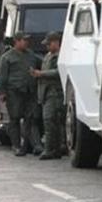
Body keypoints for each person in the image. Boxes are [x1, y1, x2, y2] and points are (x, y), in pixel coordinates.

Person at [0, 32, 41, 156]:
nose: (27, 42)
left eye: (27, 40)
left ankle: (35, 145)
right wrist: (2, 92)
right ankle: (16, 146)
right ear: (16, 41)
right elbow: (2, 77)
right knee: (15, 119)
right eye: (24, 40)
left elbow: (42, 64)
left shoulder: (31, 55)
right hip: (14, 93)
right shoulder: (7, 57)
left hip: (29, 92)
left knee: (31, 119)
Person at [31, 32, 65, 160]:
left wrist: (41, 74)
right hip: (45, 93)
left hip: (55, 93)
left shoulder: (61, 56)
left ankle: (50, 149)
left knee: (49, 119)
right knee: (51, 121)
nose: (47, 47)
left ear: (56, 42)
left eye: (49, 44)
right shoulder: (47, 56)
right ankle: (55, 148)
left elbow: (58, 72)